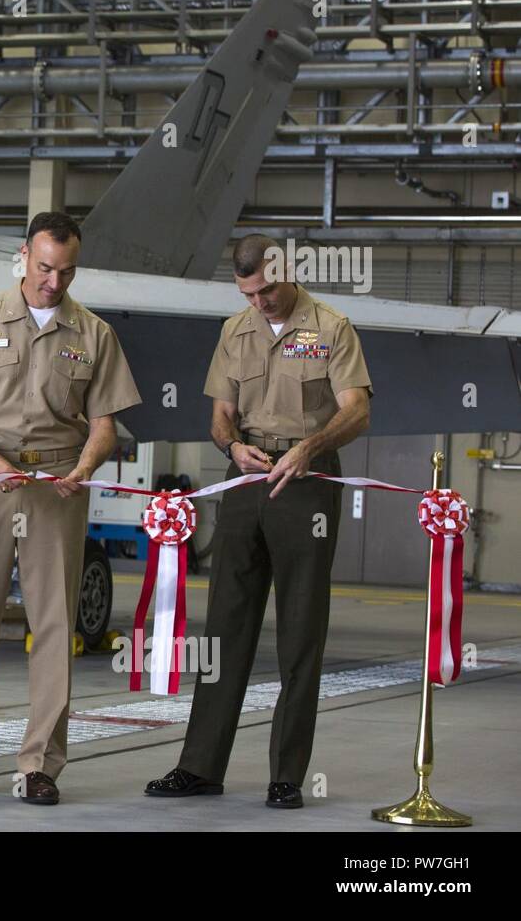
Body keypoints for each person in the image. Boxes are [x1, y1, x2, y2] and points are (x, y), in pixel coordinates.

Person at [145, 233, 372, 809]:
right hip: (247, 479)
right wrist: (231, 447)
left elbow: (358, 411)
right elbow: (220, 415)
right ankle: (200, 766)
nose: (260, 303)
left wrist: (311, 447)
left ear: (286, 272)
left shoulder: (332, 327)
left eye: (267, 290)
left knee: (300, 631)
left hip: (307, 482)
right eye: (249, 294)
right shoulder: (234, 331)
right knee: (224, 628)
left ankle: (287, 775)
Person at [0, 211, 142, 805]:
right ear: (25, 255)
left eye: (66, 271)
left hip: (57, 483)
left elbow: (105, 424)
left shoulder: (94, 334)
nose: (53, 282)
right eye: (44, 268)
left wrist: (86, 467)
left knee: (52, 623)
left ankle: (40, 765)